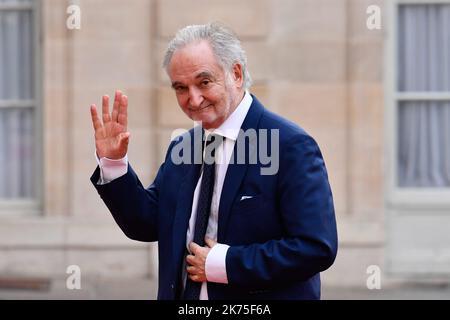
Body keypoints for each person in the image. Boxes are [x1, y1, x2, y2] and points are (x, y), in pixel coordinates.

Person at [89, 23, 337, 300]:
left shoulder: (289, 145)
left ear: (236, 74)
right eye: (181, 88)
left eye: (204, 82)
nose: (193, 99)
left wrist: (225, 264)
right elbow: (147, 224)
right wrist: (113, 164)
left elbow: (316, 247)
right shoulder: (183, 146)